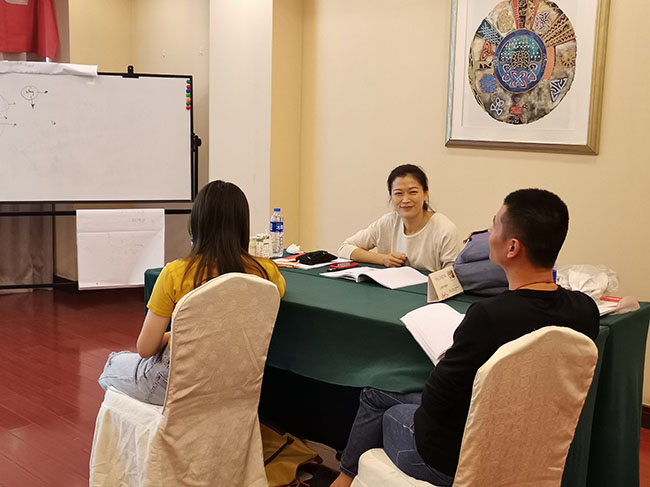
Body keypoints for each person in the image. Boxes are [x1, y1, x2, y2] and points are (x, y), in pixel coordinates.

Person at [330, 188, 599, 487]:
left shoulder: (489, 316)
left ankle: (343, 480)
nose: (487, 233)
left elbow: (436, 401)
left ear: (512, 247)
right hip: (530, 448)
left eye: (494, 224)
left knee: (380, 401)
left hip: (455, 461)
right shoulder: (585, 310)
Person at [98, 180, 286, 405]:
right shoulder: (267, 272)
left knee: (112, 364)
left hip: (177, 383)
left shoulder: (175, 273)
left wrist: (175, 335)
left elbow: (146, 348)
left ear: (196, 224)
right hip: (235, 380)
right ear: (242, 225)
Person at [337, 164, 461, 273]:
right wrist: (383, 259)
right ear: (391, 196)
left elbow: (452, 276)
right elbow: (344, 248)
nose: (405, 200)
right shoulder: (387, 223)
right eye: (398, 193)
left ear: (425, 194)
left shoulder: (445, 229)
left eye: (413, 192)